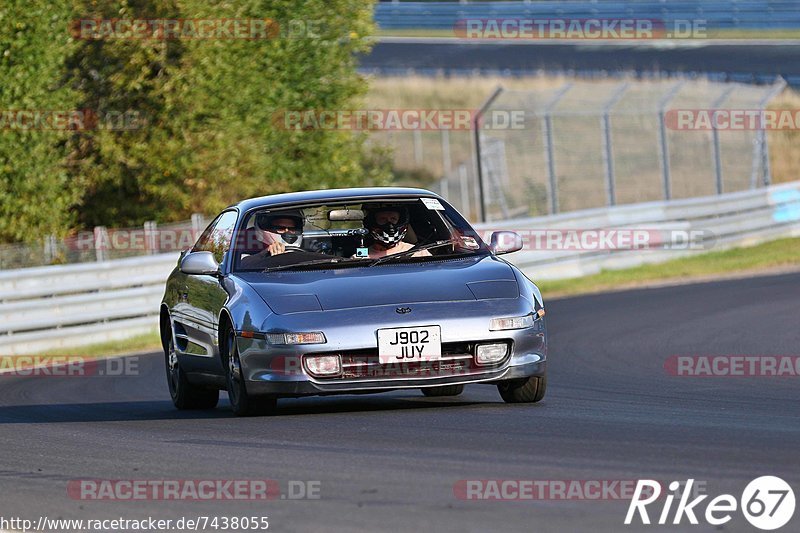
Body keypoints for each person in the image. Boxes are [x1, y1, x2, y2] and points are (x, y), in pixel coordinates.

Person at [360, 206, 431, 259]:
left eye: (393, 219)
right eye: (383, 219)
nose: (389, 224)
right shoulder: (362, 256)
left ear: (400, 221)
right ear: (373, 222)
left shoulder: (419, 252)